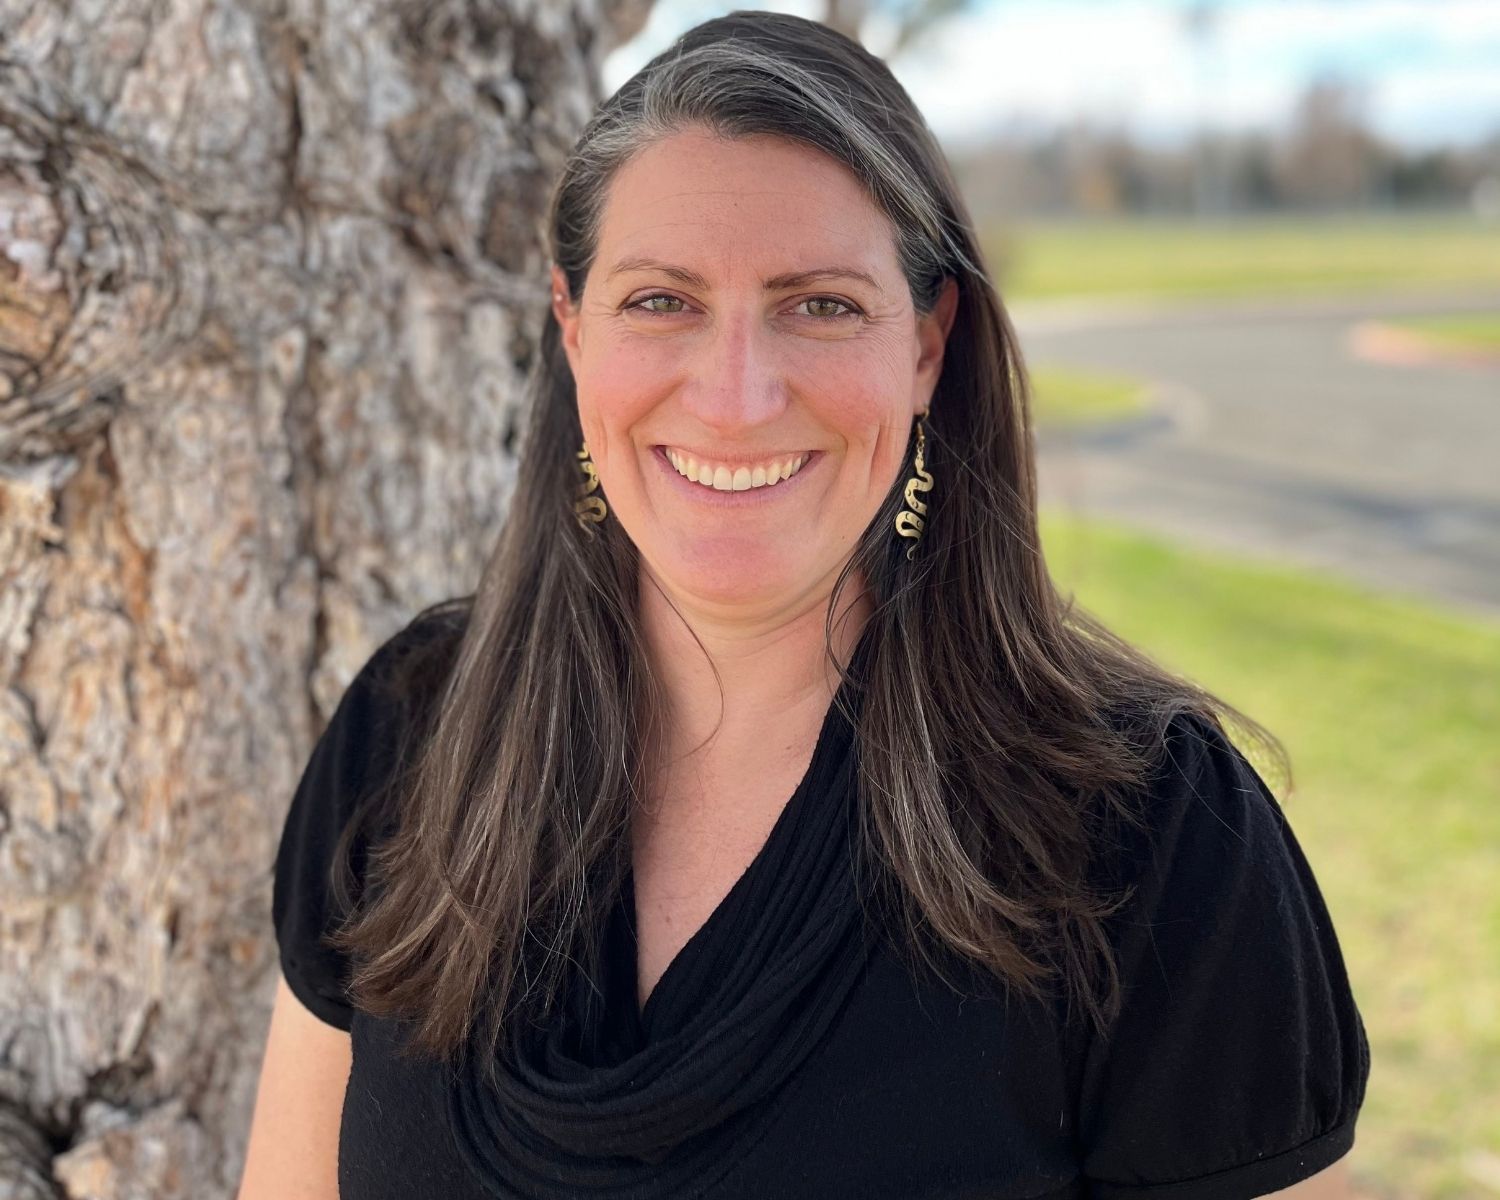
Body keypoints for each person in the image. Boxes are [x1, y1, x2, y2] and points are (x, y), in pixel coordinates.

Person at [238, 11, 1370, 1200]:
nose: (735, 400)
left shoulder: (1157, 836)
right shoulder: (411, 732)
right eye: (660, 301)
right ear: (572, 331)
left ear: (926, 346)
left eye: (820, 305)